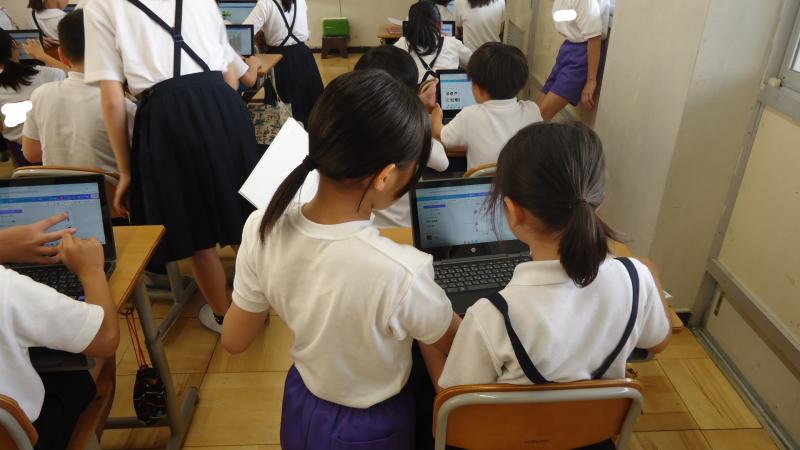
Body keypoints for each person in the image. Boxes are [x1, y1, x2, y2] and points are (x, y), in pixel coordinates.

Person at [221, 70, 461, 450]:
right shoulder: (402, 273)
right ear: (385, 177)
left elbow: (234, 340)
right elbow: (456, 340)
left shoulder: (261, 226)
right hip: (374, 425)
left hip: (302, 404)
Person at [421, 121, 671, 405]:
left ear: (513, 211)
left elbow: (456, 401)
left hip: (512, 428)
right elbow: (658, 341)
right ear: (599, 201)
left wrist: (428, 339)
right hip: (593, 425)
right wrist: (647, 272)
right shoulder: (636, 278)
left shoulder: (492, 315)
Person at [83, 0, 261, 333]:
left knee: (195, 229)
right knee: (242, 209)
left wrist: (126, 171)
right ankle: (258, 302)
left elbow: (112, 100)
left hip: (166, 115)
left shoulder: (100, 4)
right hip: (224, 106)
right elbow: (232, 78)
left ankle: (226, 317)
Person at [0, 216, 119, 450]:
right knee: (96, 352)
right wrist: (91, 271)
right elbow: (105, 337)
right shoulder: (7, 287)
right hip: (24, 439)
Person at [22, 10, 136, 173]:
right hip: (112, 188)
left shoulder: (40, 94)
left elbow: (31, 154)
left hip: (58, 187)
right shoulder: (125, 107)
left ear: (62, 56)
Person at [354, 45, 449, 227]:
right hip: (407, 228)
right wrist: (421, 112)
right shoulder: (411, 130)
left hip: (363, 226)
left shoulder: (349, 122)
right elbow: (442, 163)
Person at [432, 42, 542, 169]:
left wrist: (436, 115)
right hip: (519, 181)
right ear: (521, 87)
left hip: (481, 182)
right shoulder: (532, 111)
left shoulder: (469, 115)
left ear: (478, 88)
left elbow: (440, 135)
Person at [244, 0, 323, 126]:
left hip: (279, 60)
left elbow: (245, 32)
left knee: (284, 109)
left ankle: (289, 134)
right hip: (304, 56)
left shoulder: (266, 3)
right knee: (310, 105)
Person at [0, 28, 65, 165]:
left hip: (24, 159)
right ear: (14, 44)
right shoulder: (48, 74)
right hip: (59, 152)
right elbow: (76, 77)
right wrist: (42, 55)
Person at [538, 0, 611, 121]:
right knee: (536, 110)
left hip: (583, 52)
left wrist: (591, 81)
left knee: (541, 115)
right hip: (568, 47)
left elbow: (594, 37)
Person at [395, 0, 472, 84]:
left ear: (409, 25)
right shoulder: (453, 43)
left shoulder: (401, 44)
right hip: (446, 92)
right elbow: (473, 63)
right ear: (440, 25)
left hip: (412, 92)